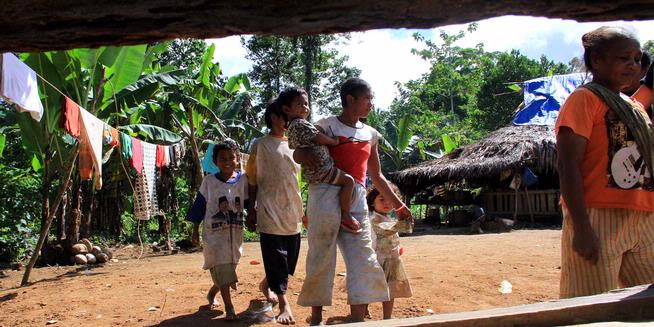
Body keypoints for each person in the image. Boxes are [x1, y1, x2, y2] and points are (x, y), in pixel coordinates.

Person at [295, 77, 413, 324]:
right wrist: (303, 153)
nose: (371, 103)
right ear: (350, 100)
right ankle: (316, 317)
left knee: (364, 257)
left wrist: (400, 207)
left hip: (357, 197)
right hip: (324, 193)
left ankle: (357, 320)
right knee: (321, 255)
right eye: (367, 98)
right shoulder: (325, 126)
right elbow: (297, 151)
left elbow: (376, 175)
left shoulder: (371, 134)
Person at [555, 26, 654, 299]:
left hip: (644, 215)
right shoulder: (584, 100)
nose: (633, 65)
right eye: (624, 58)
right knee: (588, 306)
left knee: (646, 305)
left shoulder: (635, 107)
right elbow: (567, 165)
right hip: (598, 217)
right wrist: (583, 229)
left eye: (636, 59)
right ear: (597, 59)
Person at [245, 100, 304, 325]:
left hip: (292, 210)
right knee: (275, 256)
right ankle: (283, 302)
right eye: (283, 116)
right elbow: (252, 180)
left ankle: (267, 282)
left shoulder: (295, 145)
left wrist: (303, 210)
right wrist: (251, 210)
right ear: (272, 117)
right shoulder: (260, 145)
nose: (287, 122)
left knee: (289, 261)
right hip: (269, 210)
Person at [281, 87, 361, 233]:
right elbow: (317, 137)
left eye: (306, 103)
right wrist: (333, 141)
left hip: (315, 172)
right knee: (349, 181)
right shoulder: (301, 124)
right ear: (287, 109)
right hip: (323, 169)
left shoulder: (291, 128)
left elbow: (295, 148)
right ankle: (346, 214)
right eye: (300, 104)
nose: (305, 107)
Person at [186, 139, 248, 320]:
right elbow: (199, 206)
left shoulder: (243, 180)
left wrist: (253, 218)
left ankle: (212, 293)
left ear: (238, 159)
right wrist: (194, 230)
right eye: (223, 158)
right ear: (215, 161)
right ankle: (229, 307)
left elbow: (249, 202)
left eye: (231, 157)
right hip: (214, 235)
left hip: (235, 233)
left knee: (229, 267)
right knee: (222, 267)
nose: (227, 161)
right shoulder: (209, 181)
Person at [365, 184, 413, 320]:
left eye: (390, 199)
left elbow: (393, 235)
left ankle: (387, 317)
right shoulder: (373, 219)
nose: (386, 203)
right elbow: (386, 229)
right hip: (376, 261)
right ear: (372, 202)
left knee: (390, 291)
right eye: (382, 199)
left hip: (391, 261)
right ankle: (364, 310)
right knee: (369, 288)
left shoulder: (387, 219)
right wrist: (406, 222)